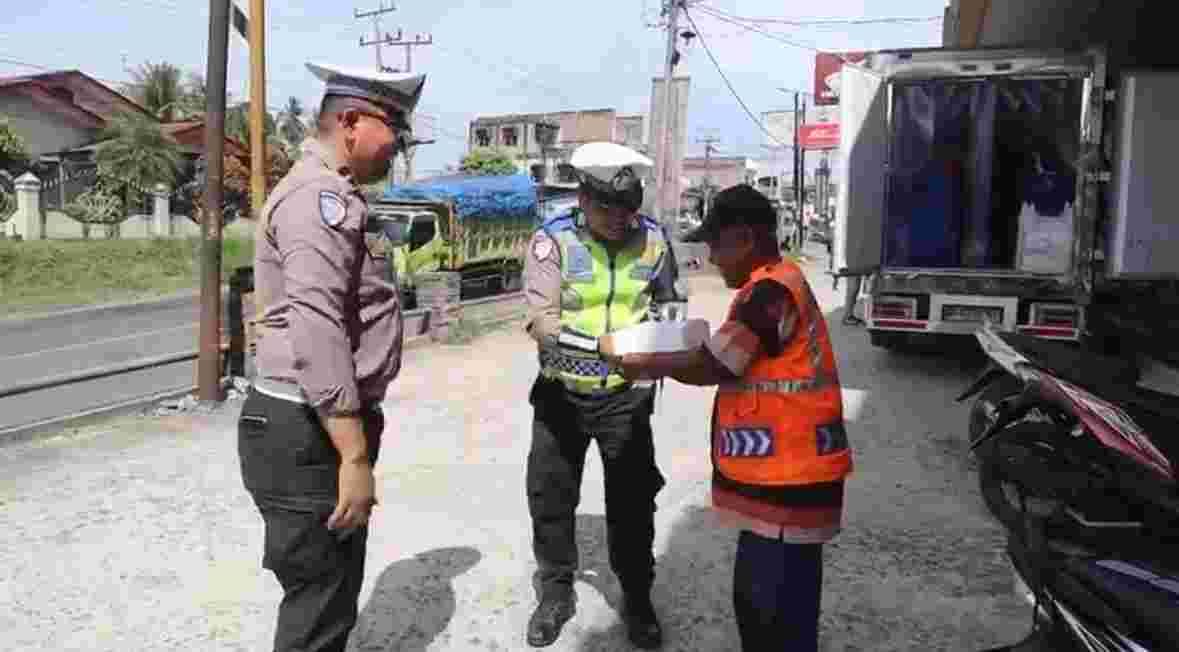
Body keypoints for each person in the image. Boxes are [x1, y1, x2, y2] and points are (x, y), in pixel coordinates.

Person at [605, 184, 853, 652]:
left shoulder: (770, 293)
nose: (713, 259)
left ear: (745, 238)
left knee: (767, 608)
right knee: (787, 603)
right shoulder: (778, 281)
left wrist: (643, 364)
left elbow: (716, 365)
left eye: (716, 246)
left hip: (790, 476)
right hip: (795, 471)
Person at [237, 62, 424, 652]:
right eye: (394, 127)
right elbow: (315, 326)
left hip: (311, 422)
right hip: (310, 429)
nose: (400, 143)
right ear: (350, 122)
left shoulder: (332, 193)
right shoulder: (319, 199)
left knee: (327, 595)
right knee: (319, 604)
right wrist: (353, 454)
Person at [522, 141, 685, 649]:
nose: (619, 219)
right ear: (584, 199)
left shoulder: (654, 240)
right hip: (561, 394)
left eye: (628, 207)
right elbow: (542, 322)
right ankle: (555, 594)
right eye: (608, 208)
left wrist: (663, 342)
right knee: (551, 497)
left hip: (625, 398)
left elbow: (669, 302)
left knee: (633, 504)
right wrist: (603, 347)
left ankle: (636, 597)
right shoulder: (552, 241)